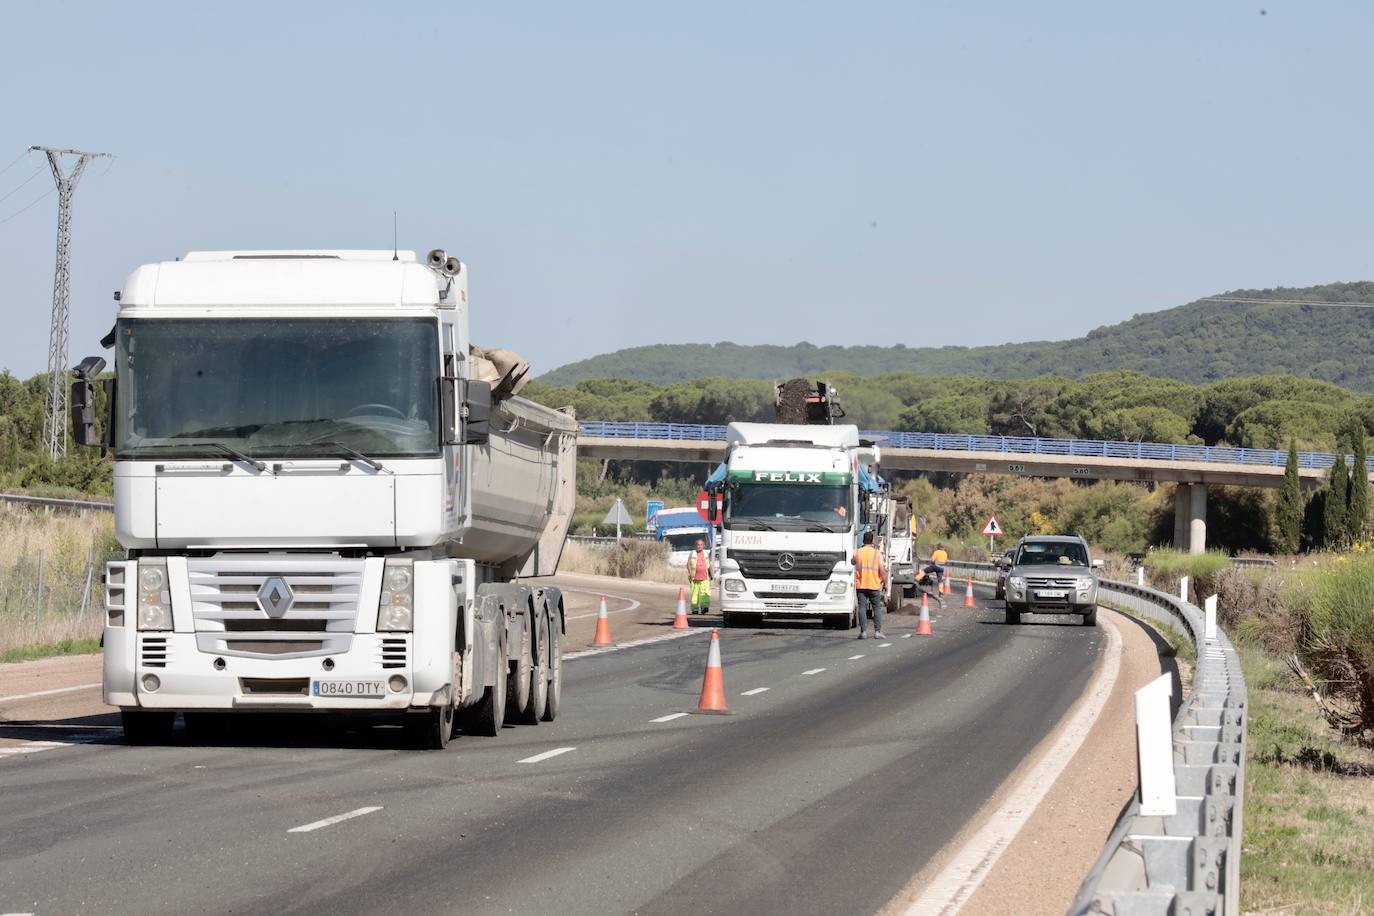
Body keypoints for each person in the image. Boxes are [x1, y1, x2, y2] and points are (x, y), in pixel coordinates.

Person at [851, 530, 888, 639]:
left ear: (863, 540)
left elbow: (852, 562)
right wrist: (886, 584)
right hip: (874, 584)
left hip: (861, 585)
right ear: (872, 541)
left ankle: (863, 632)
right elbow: (882, 570)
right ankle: (877, 632)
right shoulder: (877, 553)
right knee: (876, 608)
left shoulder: (858, 552)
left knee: (862, 607)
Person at [687, 538, 713, 614]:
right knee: (694, 595)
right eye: (698, 545)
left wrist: (711, 574)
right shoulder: (692, 553)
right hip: (694, 578)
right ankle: (695, 609)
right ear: (696, 545)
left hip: (705, 578)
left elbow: (709, 565)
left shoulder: (706, 554)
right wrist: (689, 573)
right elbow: (688, 564)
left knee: (705, 593)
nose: (699, 546)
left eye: (701, 545)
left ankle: (704, 608)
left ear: (703, 545)